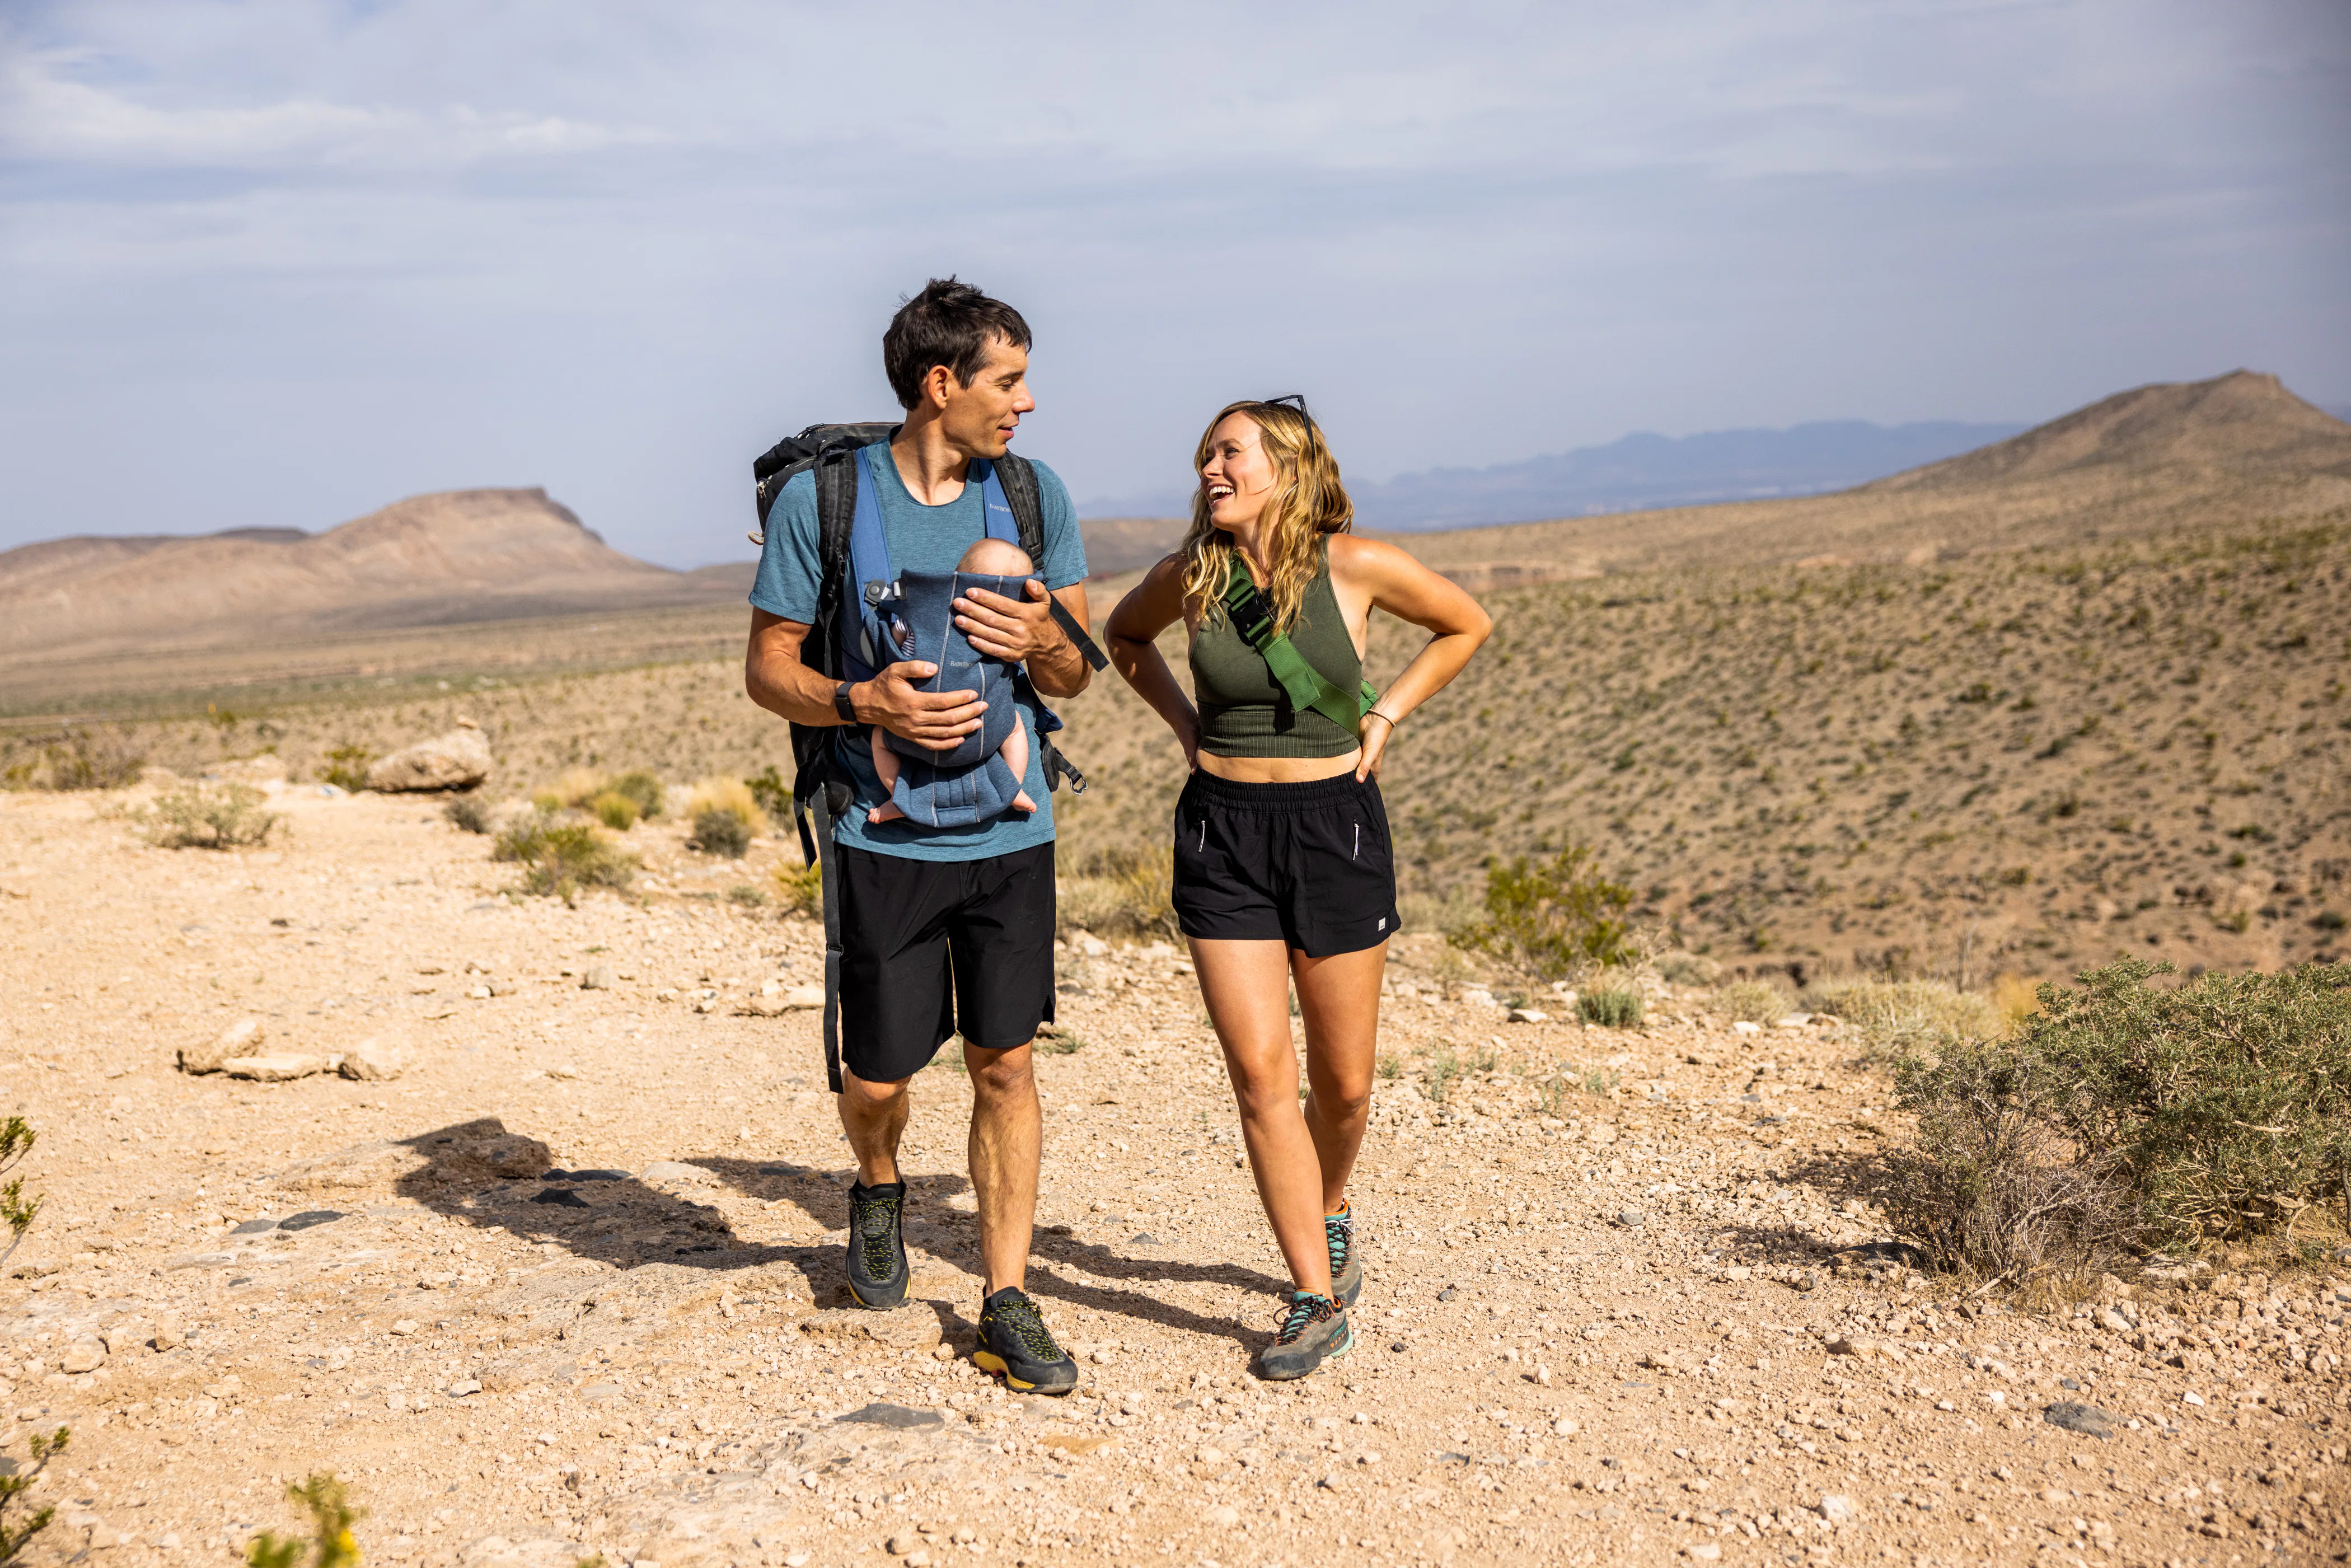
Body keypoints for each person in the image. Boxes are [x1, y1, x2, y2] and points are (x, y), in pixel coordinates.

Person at [744, 279, 1093, 1394]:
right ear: (941, 383)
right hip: (882, 835)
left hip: (1010, 832)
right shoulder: (827, 502)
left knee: (1007, 1063)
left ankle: (1005, 1296)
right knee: (879, 1073)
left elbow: (1074, 674)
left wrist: (1042, 638)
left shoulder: (1033, 496)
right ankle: (880, 1181)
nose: (1026, 403)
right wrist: (863, 702)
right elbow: (767, 669)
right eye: (1009, 381)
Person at [1104, 396, 1490, 1380]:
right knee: (1261, 1077)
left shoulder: (1355, 566)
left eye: (1229, 454)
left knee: (1346, 1087)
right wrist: (1187, 727)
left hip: (1333, 831)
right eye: (1206, 456)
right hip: (1222, 835)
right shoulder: (1191, 577)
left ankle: (1330, 1202)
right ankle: (1313, 1296)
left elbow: (1464, 624)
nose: (1210, 470)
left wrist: (1386, 715)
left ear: (1288, 467)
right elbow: (1125, 639)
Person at [869, 535, 1039, 825]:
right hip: (983, 733)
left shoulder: (918, 614)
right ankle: (1013, 788)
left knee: (879, 738)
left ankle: (900, 799)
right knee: (1015, 729)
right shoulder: (1009, 632)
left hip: (914, 731)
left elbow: (891, 644)